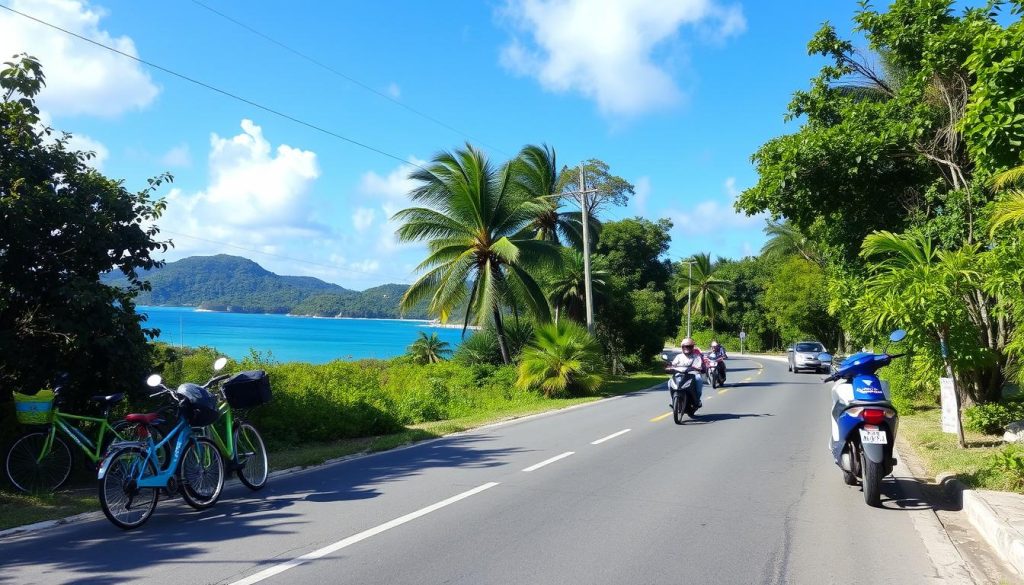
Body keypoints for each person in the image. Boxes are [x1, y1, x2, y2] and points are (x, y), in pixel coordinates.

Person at [669, 337, 704, 408]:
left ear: (692, 347)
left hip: (693, 374)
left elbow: (698, 366)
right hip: (680, 374)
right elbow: (673, 364)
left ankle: (697, 400)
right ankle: (673, 400)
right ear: (682, 347)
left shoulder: (696, 356)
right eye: (684, 346)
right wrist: (669, 367)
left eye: (689, 346)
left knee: (699, 379)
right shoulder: (679, 356)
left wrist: (696, 368)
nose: (686, 348)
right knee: (670, 382)